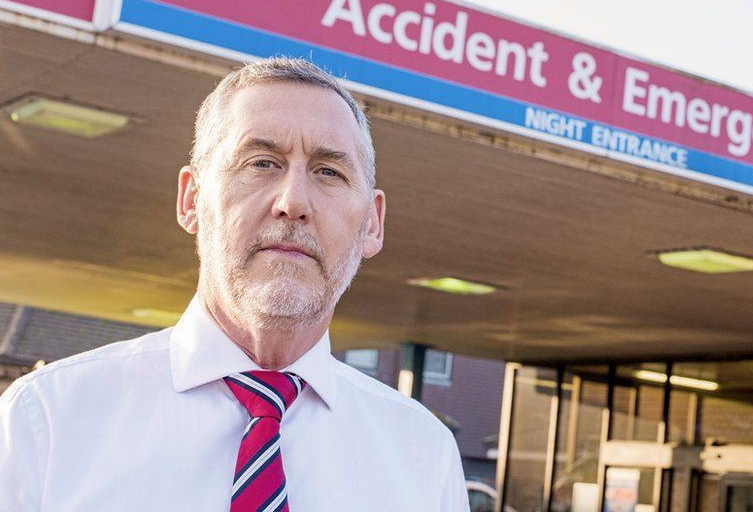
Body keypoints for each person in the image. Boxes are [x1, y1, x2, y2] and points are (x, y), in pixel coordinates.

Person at [0, 57, 471, 511]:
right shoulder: (47, 421)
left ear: (372, 223)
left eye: (329, 171)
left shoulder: (424, 455)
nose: (294, 201)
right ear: (191, 199)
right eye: (261, 162)